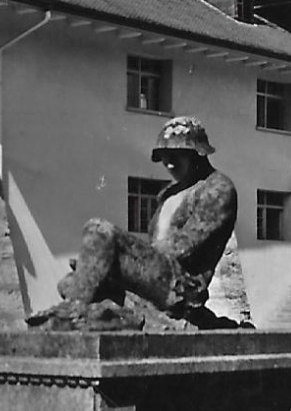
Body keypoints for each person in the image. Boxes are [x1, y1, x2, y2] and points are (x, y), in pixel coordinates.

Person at [40, 116, 237, 325]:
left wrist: (121, 253)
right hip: (158, 273)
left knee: (98, 231)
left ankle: (74, 311)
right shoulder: (169, 193)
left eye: (175, 155)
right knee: (73, 281)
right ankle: (114, 316)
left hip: (181, 285)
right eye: (163, 156)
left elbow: (186, 246)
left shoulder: (217, 188)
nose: (168, 163)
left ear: (197, 154)